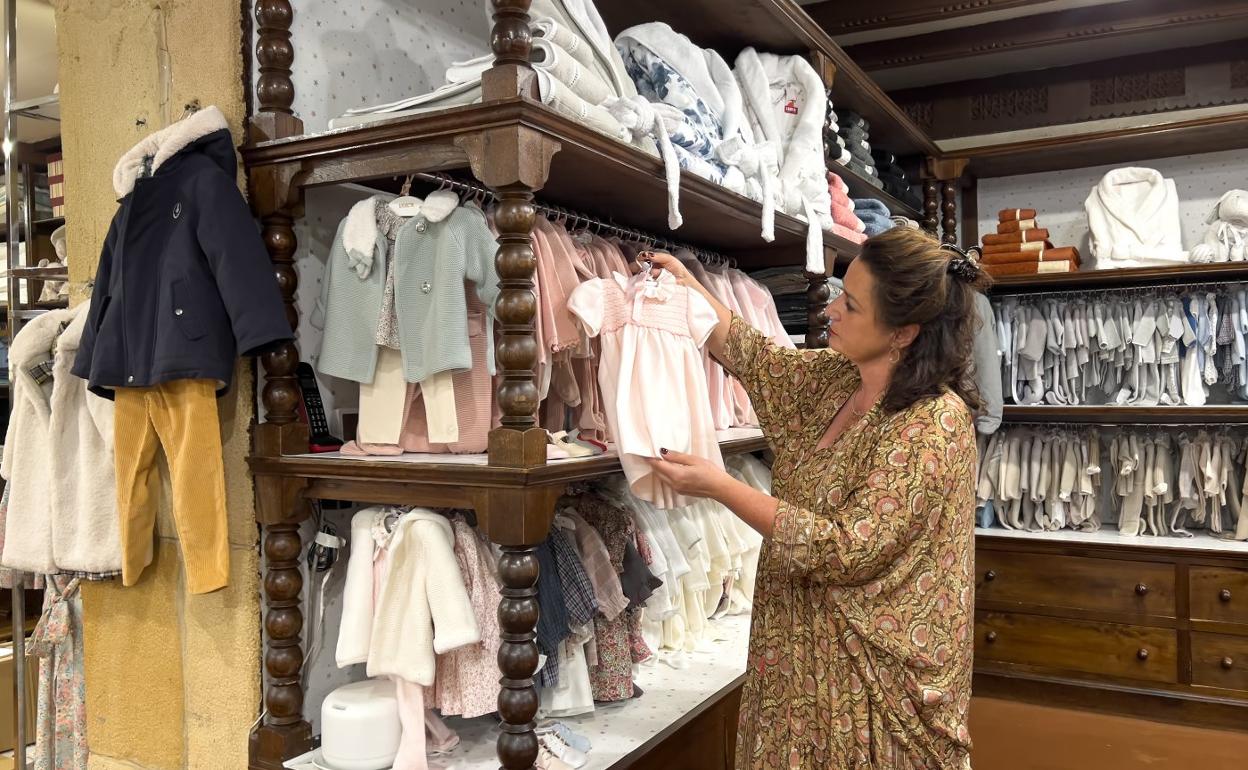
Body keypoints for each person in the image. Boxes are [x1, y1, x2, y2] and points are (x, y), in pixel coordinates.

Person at [645, 228, 989, 769]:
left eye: (850, 304)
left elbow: (849, 550)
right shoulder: (833, 378)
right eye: (837, 292)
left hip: (872, 674)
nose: (830, 310)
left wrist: (720, 486)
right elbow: (753, 356)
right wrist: (690, 288)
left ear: (903, 332)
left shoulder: (933, 424)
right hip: (794, 647)